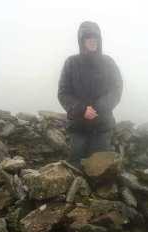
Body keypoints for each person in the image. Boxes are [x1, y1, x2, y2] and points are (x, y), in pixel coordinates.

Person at [57, 21, 123, 169]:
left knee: (100, 171)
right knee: (76, 168)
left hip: (102, 127)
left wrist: (99, 107)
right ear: (81, 41)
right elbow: (63, 93)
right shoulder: (71, 63)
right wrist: (82, 109)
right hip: (78, 127)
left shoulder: (108, 62)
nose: (93, 41)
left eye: (96, 38)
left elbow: (116, 89)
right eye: (88, 38)